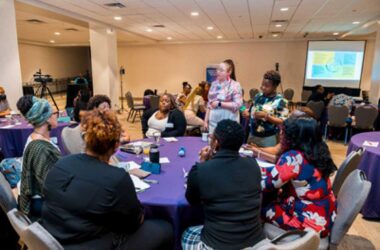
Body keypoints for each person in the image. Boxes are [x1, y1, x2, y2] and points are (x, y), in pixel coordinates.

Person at [41, 110, 173, 249]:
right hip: (92, 243)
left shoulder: (61, 163)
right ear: (116, 145)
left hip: (52, 239)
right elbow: (135, 222)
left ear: (85, 138)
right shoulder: (117, 178)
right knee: (164, 228)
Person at [182, 119, 266, 249]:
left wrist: (203, 162)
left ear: (216, 142)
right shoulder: (253, 165)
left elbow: (192, 201)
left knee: (186, 233)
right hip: (256, 242)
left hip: (218, 245)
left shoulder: (201, 170)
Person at [261, 117, 337, 238]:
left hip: (307, 223)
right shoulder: (318, 150)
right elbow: (287, 172)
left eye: (284, 132)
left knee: (259, 206)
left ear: (294, 137)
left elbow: (266, 185)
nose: (280, 134)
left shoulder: (293, 157)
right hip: (326, 216)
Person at [16, 96, 60, 219]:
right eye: (54, 112)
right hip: (39, 204)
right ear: (46, 118)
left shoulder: (34, 138)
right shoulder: (41, 149)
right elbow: (51, 187)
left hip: (36, 198)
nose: (57, 115)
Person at [249, 70, 288, 147]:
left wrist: (266, 116)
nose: (263, 87)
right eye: (262, 84)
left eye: (266, 86)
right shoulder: (258, 96)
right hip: (252, 135)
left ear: (275, 87)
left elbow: (282, 121)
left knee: (265, 158)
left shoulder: (281, 100)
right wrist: (247, 113)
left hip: (268, 138)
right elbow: (251, 112)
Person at [204, 60, 243, 134]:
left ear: (229, 72)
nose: (218, 72)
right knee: (213, 143)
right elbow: (209, 104)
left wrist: (219, 103)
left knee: (227, 143)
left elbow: (238, 104)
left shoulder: (235, 85)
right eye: (218, 69)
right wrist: (206, 121)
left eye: (221, 70)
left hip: (229, 122)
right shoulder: (213, 84)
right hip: (213, 122)